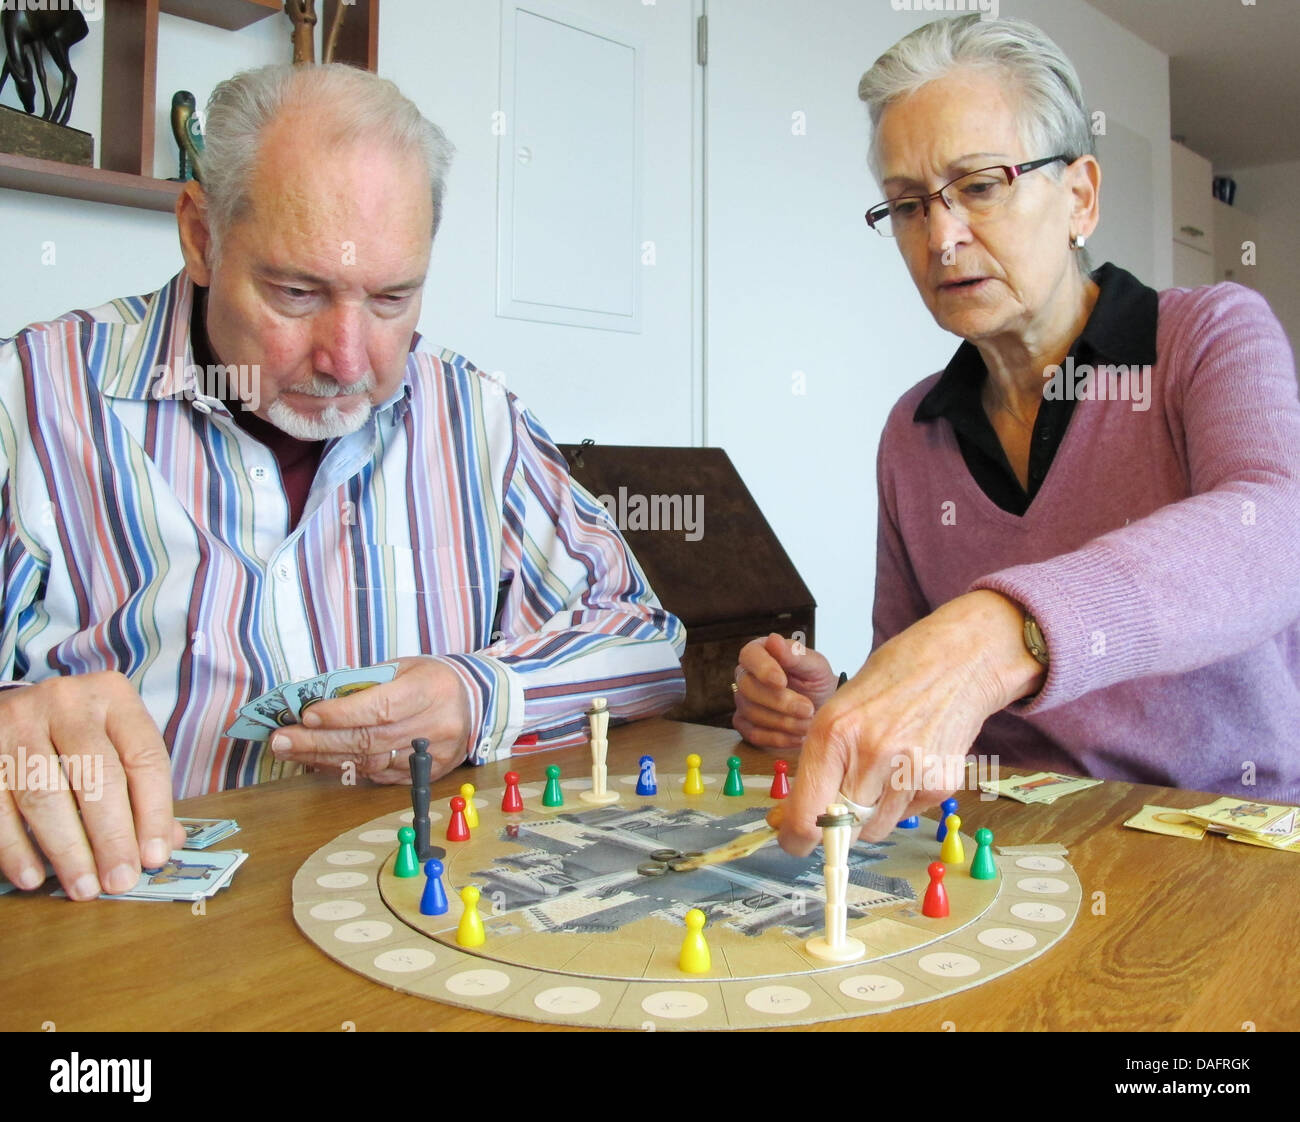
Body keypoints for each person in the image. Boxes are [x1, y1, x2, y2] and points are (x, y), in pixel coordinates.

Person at [0, 63, 685, 900]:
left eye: (393, 299)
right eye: (296, 292)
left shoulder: (476, 414)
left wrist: (478, 697)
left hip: (416, 913)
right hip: (120, 943)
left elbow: (648, 646)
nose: (348, 362)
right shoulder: (29, 397)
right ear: (200, 235)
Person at [733, 15, 1300, 854]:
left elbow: (1275, 531)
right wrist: (834, 710)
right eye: (906, 204)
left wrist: (1002, 633)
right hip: (1004, 850)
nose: (942, 235)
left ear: (1079, 196)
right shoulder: (912, 431)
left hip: (1222, 844)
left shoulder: (1206, 334)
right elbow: (920, 678)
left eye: (981, 184)